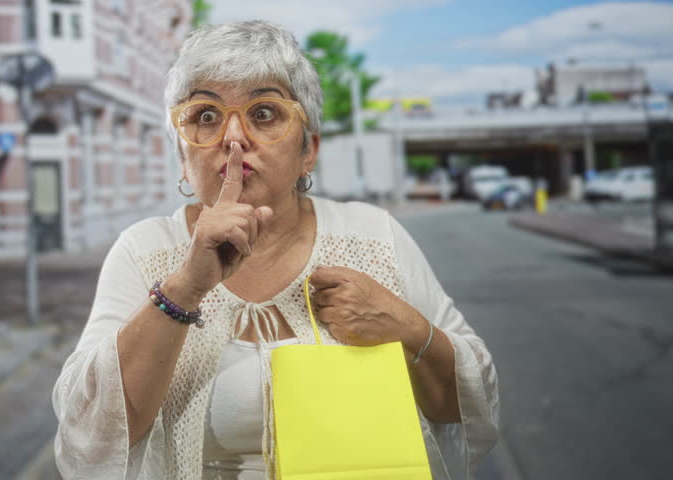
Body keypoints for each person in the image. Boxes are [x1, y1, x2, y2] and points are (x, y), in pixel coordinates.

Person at [52, 20, 499, 480]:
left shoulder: (373, 235)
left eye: (264, 113)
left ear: (308, 151)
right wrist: (184, 288)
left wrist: (406, 328)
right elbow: (90, 437)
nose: (233, 137)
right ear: (183, 158)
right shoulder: (145, 250)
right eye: (205, 116)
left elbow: (469, 403)